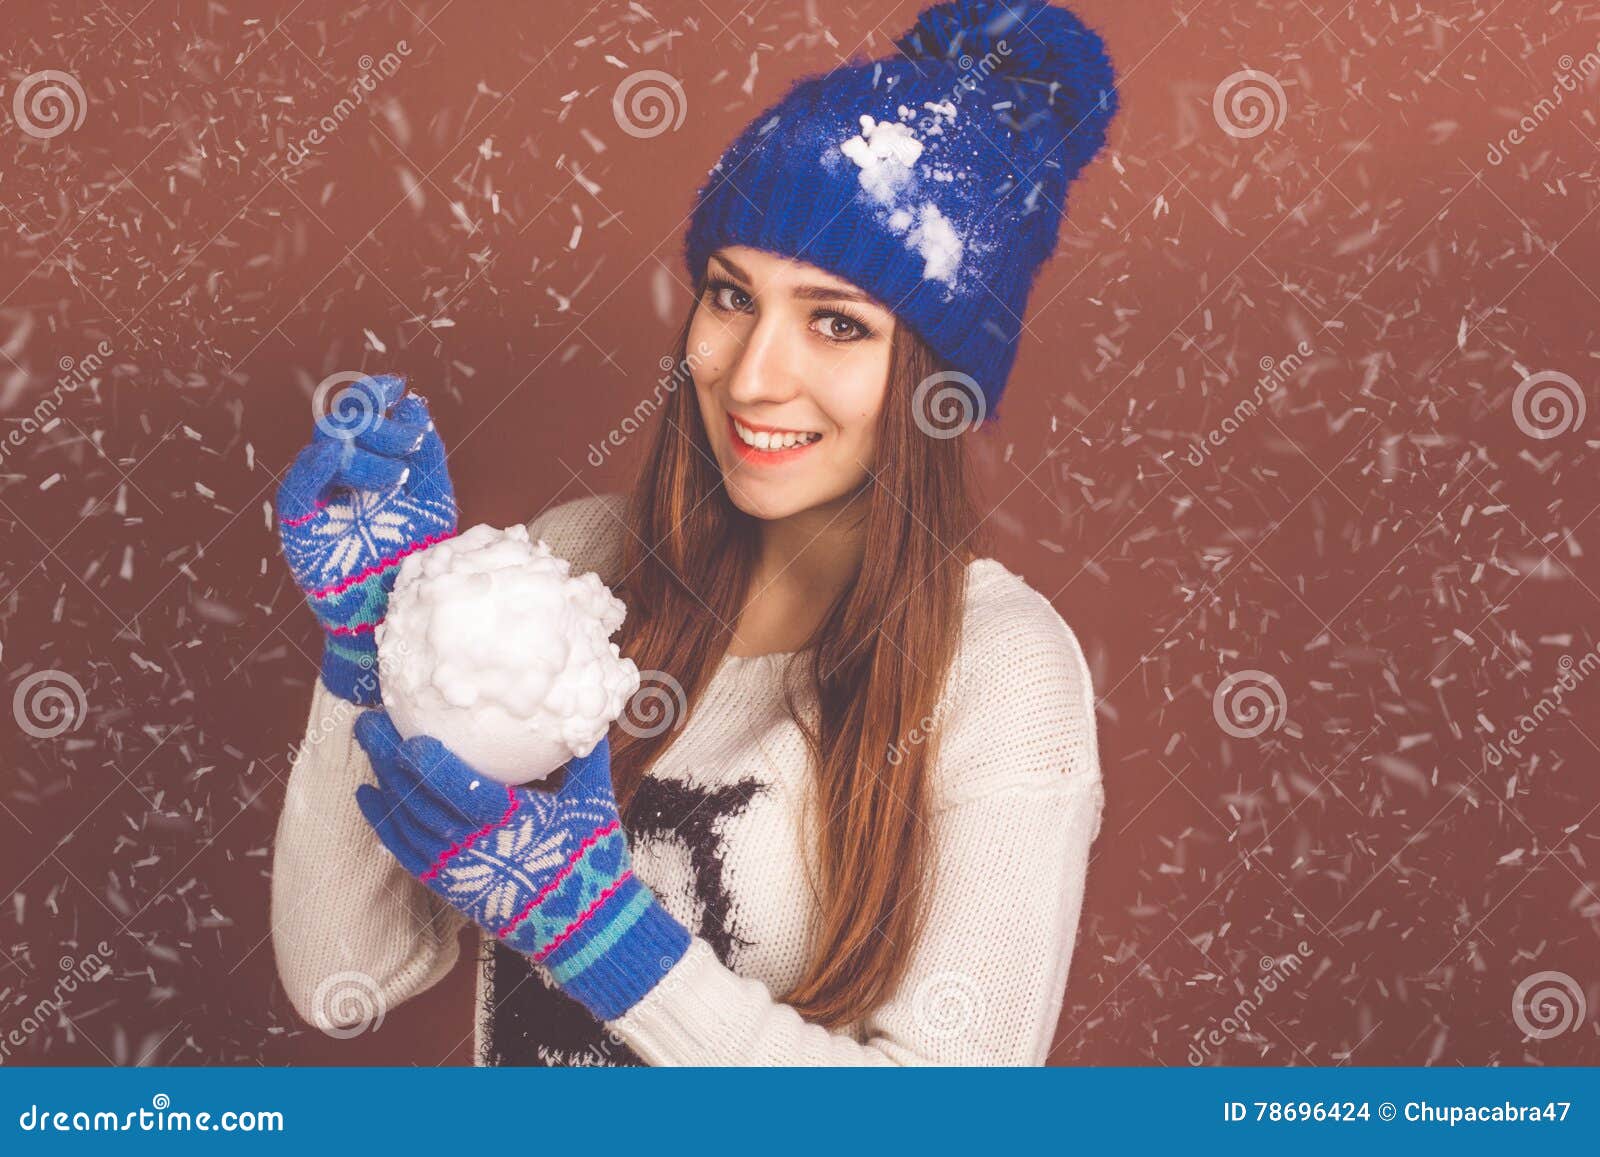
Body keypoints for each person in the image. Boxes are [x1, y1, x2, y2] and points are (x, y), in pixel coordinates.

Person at [270, 0, 1118, 1065]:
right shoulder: (578, 566)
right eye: (731, 296)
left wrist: (601, 939)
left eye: (837, 320)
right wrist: (370, 645)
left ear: (938, 380)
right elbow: (340, 974)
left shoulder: (997, 667)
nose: (753, 373)